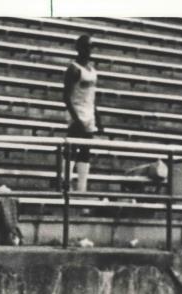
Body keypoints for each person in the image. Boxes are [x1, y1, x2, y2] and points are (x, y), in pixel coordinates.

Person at [63, 34, 99, 194]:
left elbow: (91, 96)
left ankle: (81, 190)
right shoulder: (74, 69)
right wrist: (76, 118)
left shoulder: (92, 70)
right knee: (71, 150)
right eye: (86, 46)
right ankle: (65, 184)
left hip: (89, 114)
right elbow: (66, 96)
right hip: (77, 113)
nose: (89, 50)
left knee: (85, 152)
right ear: (79, 48)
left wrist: (98, 117)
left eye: (91, 47)